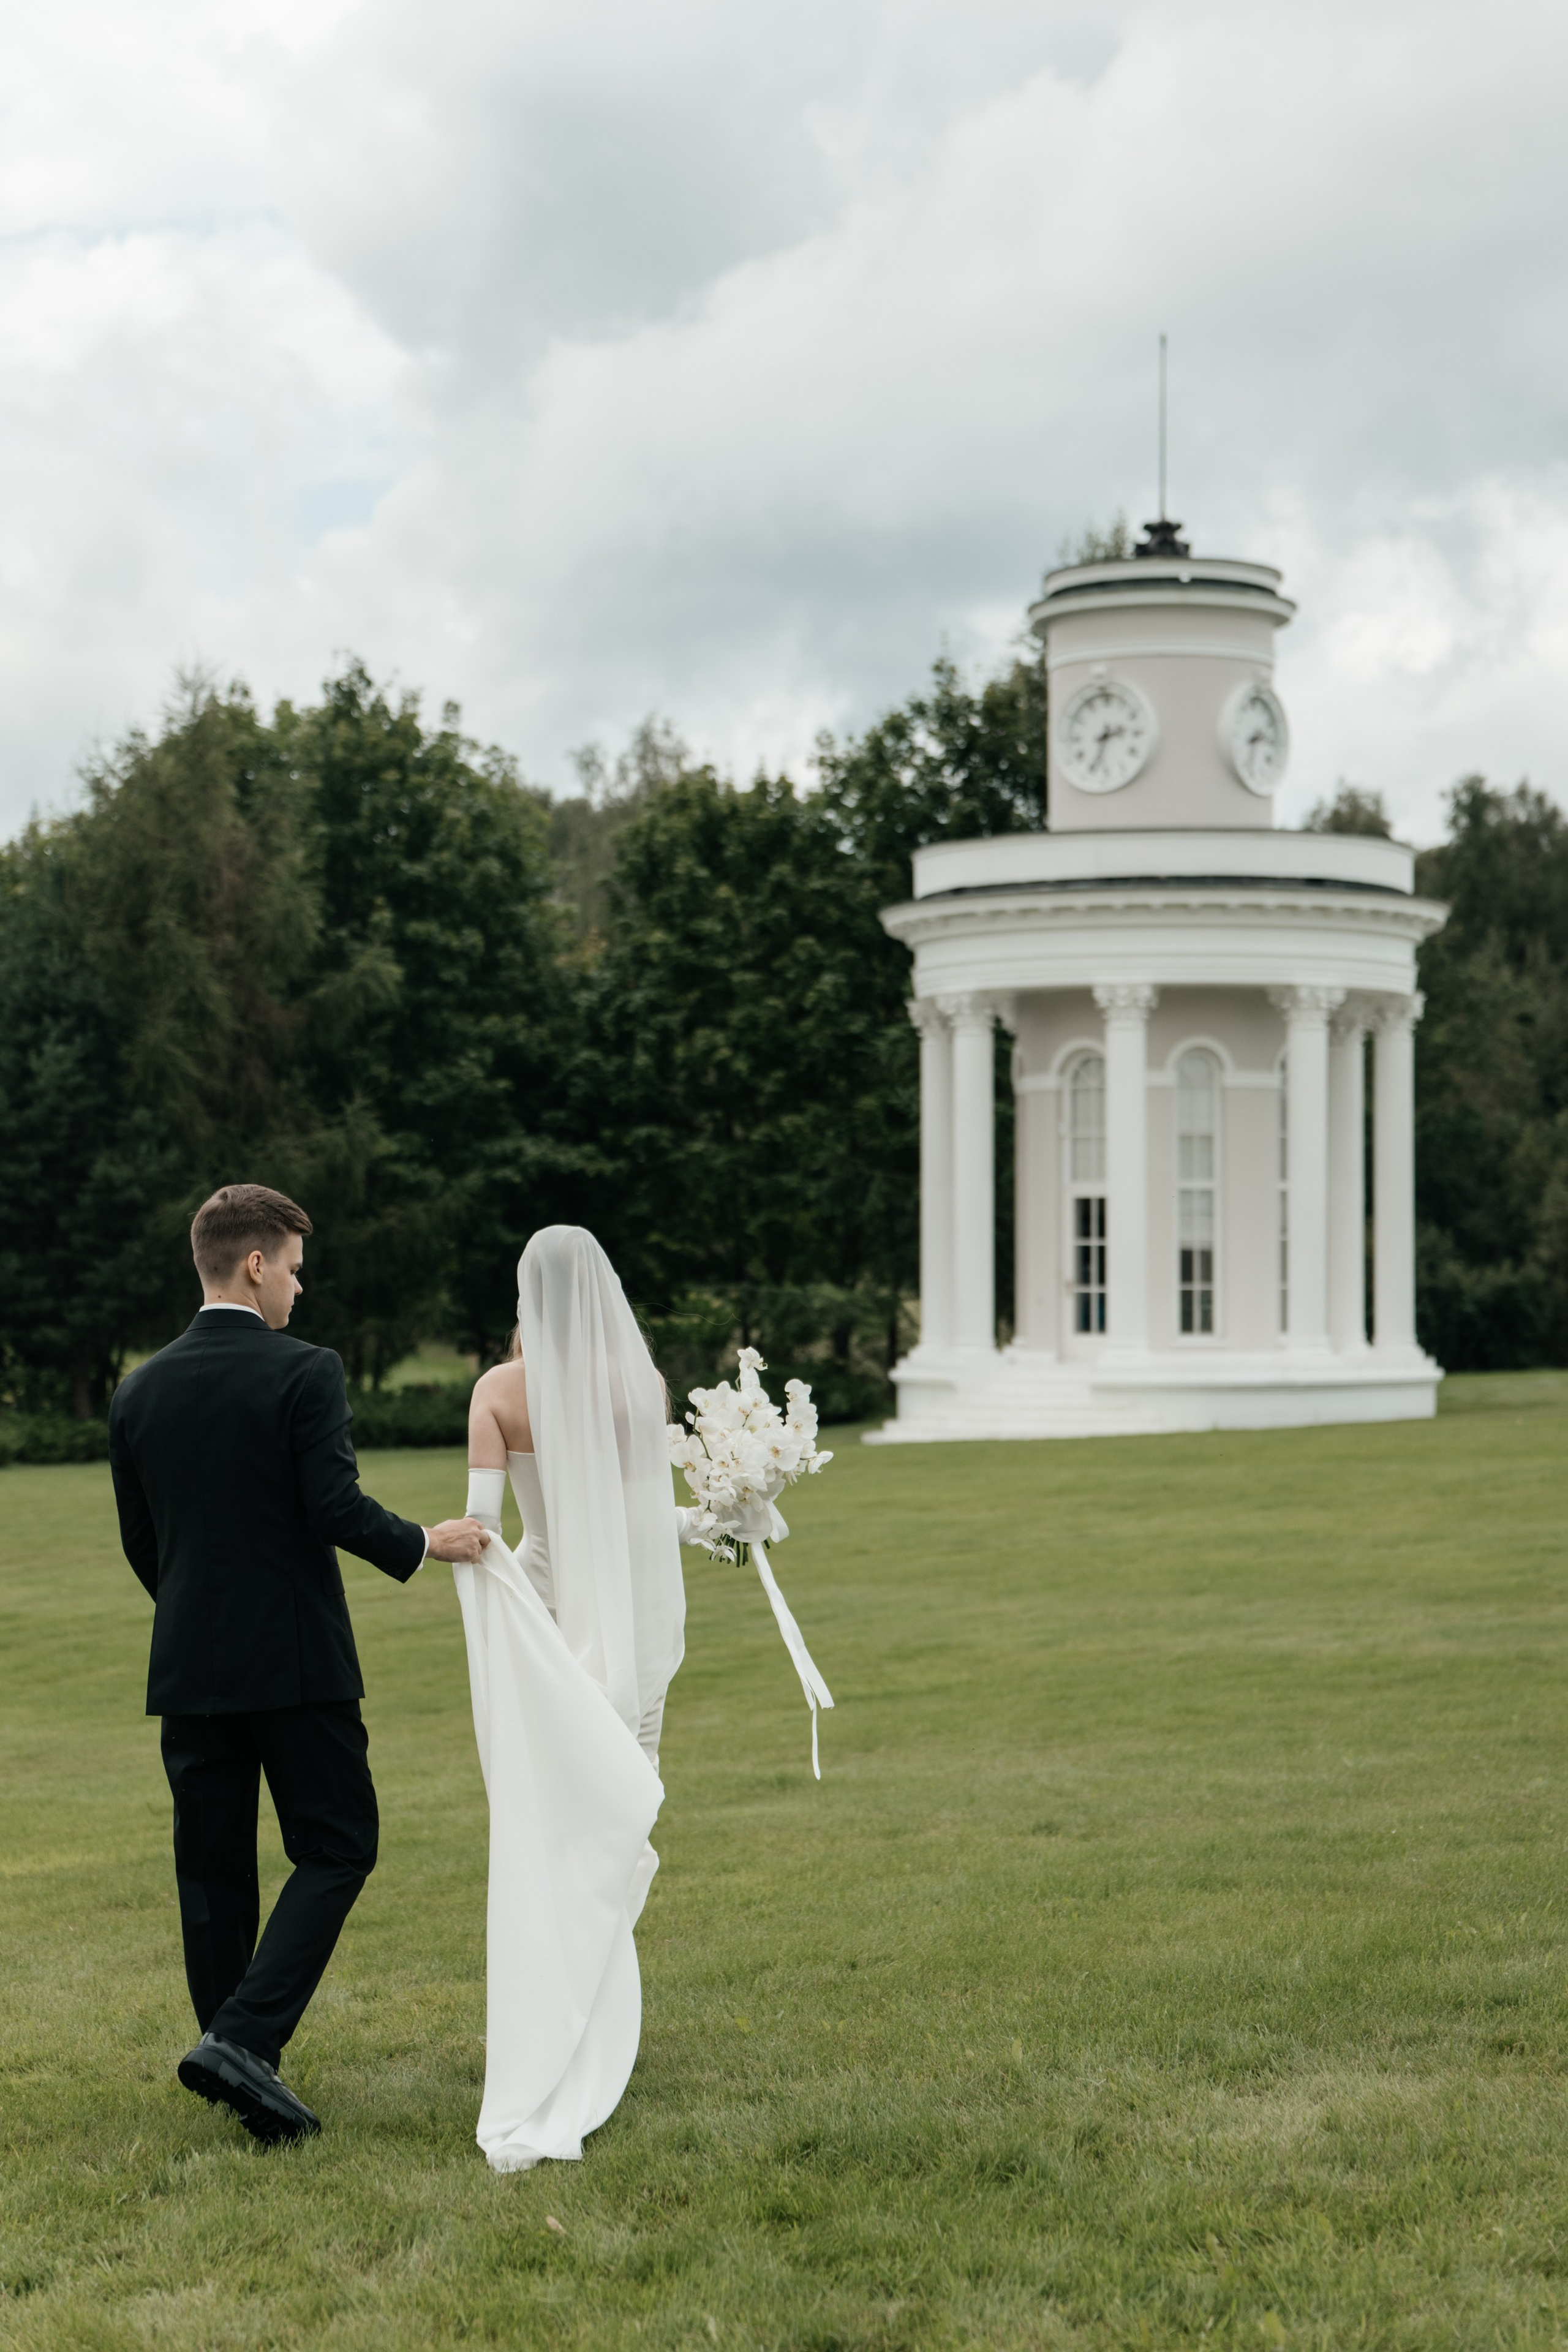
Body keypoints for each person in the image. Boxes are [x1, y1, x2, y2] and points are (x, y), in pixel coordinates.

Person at [107, 1183, 488, 2146]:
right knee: (339, 1843)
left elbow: (145, 1545)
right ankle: (241, 2040)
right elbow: (333, 1505)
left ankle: (238, 2061)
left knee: (213, 1870)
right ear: (254, 1265)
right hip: (299, 1664)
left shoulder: (137, 1389)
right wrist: (423, 1541)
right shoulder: (304, 1371)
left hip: (190, 1666)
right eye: (295, 1270)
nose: (300, 1292)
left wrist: (203, 1619)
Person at [454, 1224, 701, 2172]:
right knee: (620, 1823)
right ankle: (592, 2014)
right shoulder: (639, 1386)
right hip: (639, 1635)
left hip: (555, 1632)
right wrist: (722, 1515)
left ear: (527, 1294)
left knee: (559, 1834)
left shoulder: (498, 1393)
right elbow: (643, 1518)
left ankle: (564, 2023)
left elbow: (482, 1528)